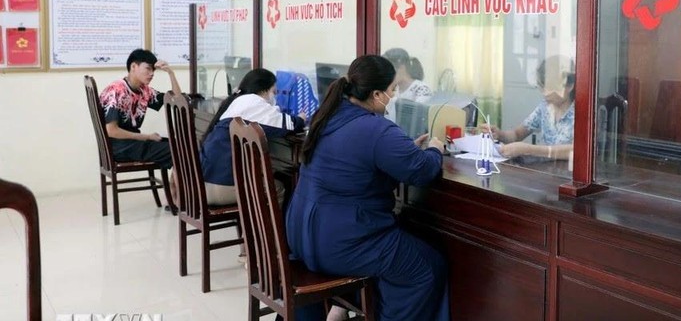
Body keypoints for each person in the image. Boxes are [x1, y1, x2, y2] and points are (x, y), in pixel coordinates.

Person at [285, 55, 450, 321]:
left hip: (301, 235)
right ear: (376, 94)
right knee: (427, 268)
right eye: (392, 89)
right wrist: (434, 149)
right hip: (339, 243)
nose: (394, 95)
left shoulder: (326, 115)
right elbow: (422, 171)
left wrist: (405, 150)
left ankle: (349, 309)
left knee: (401, 247)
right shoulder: (377, 129)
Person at [200, 68, 305, 206]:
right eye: (274, 92)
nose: (275, 96)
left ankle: (250, 227)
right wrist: (301, 118)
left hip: (203, 185)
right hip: (222, 188)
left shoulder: (237, 103)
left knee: (266, 175)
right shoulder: (255, 104)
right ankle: (271, 228)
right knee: (277, 187)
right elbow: (289, 125)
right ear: (263, 91)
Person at [100, 48, 181, 201]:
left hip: (132, 143)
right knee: (179, 149)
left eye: (153, 70)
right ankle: (179, 199)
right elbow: (111, 130)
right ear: (133, 67)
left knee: (179, 145)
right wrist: (146, 137)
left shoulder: (145, 91)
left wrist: (171, 73)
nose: (151, 74)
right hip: (120, 147)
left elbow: (177, 100)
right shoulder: (117, 90)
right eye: (148, 69)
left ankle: (176, 194)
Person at [486, 55, 575, 161]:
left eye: (551, 88)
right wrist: (500, 135)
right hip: (549, 170)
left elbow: (577, 150)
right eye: (542, 87)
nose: (545, 93)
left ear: (569, 86)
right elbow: (517, 134)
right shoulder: (545, 107)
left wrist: (529, 149)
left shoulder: (582, 111)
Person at [382, 48, 432, 123]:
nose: (387, 75)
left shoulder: (422, 89)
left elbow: (417, 117)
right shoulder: (392, 89)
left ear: (402, 68)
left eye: (390, 71)